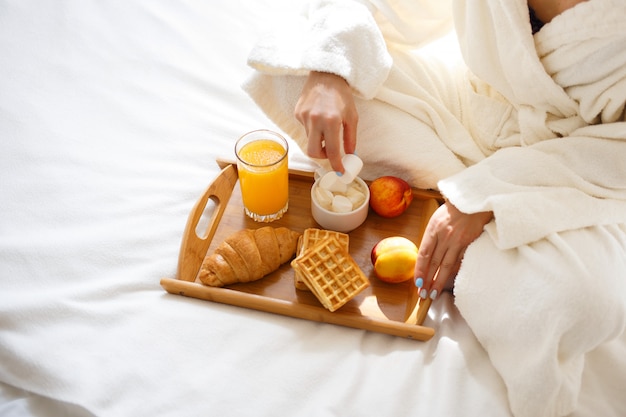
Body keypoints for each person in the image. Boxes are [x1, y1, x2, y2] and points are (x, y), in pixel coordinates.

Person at [244, 0, 626, 416]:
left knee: (577, 301)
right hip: (476, 113)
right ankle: (467, 228)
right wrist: (330, 73)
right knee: (295, 78)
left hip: (567, 171)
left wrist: (482, 196)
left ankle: (461, 216)